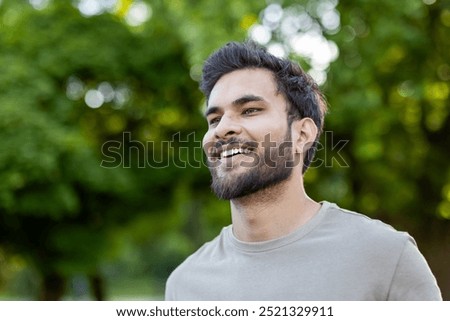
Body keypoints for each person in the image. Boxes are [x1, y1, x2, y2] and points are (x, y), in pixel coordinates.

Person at [165, 41, 442, 300]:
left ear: (302, 134)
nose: (222, 129)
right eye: (214, 119)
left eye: (249, 110)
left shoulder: (387, 257)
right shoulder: (184, 284)